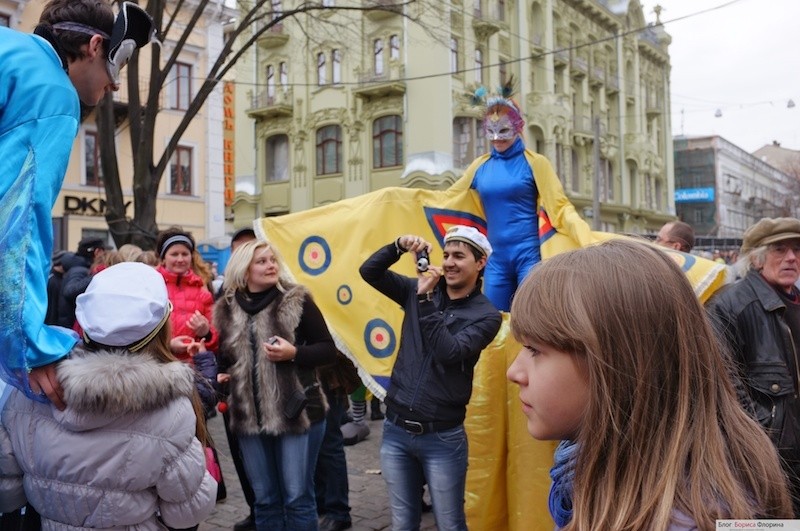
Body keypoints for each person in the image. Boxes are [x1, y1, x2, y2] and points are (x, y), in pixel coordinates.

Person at [506, 239, 793, 529]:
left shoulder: (700, 517)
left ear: (619, 364)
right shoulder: (590, 470)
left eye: (534, 350)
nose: (514, 372)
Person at [0, 0, 157, 407]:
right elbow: (16, 221)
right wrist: (30, 347)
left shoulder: (10, 51)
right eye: (116, 64)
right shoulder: (52, 92)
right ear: (92, 46)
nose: (116, 85)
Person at [0, 262, 217, 528]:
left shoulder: (30, 390)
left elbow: (8, 494)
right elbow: (185, 514)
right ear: (161, 327)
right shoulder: (173, 412)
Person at [359, 225, 502, 531]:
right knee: (402, 524)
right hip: (396, 430)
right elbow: (369, 271)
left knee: (449, 524)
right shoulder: (418, 290)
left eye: (459, 256)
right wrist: (397, 246)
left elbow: (448, 352)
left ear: (480, 263)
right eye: (446, 254)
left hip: (442, 438)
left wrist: (425, 301)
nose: (449, 262)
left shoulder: (486, 315)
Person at [214, 239, 336, 530]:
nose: (271, 265)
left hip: (297, 413)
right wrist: (223, 375)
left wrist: (295, 353)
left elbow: (328, 349)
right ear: (244, 270)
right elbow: (225, 358)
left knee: (297, 497)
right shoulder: (226, 308)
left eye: (272, 260)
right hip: (247, 416)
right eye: (262, 261)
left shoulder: (296, 299)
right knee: (265, 498)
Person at [467, 82, 592, 311]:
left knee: (532, 317)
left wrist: (583, 235)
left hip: (529, 255)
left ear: (518, 126)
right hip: (496, 259)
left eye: (504, 130)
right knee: (493, 323)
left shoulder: (536, 163)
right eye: (490, 131)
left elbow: (559, 206)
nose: (496, 137)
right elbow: (448, 200)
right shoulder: (479, 167)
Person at [708, 217, 800, 515]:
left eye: (797, 250)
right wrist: (759, 437)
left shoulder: (795, 299)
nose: (791, 258)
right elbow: (721, 382)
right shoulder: (732, 304)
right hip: (767, 460)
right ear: (757, 258)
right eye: (780, 249)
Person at [217, 226, 260, 531]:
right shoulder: (223, 295)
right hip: (230, 388)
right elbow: (218, 340)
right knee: (241, 455)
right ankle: (256, 510)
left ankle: (269, 510)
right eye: (236, 252)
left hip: (264, 391)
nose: (241, 257)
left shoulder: (276, 292)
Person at [155, 228, 219, 361]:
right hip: (159, 366)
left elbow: (216, 340)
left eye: (185, 254)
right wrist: (168, 345)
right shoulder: (152, 287)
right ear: (163, 258)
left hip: (194, 369)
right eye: (174, 254)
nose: (180, 259)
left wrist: (206, 333)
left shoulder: (202, 291)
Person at [57, 236, 107, 329]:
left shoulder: (78, 268)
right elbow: (70, 291)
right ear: (97, 252)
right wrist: (97, 276)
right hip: (72, 329)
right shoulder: (80, 270)